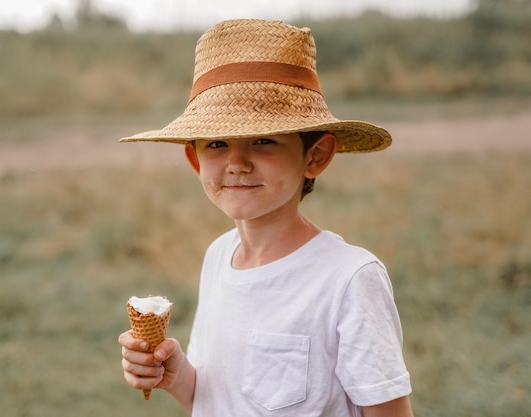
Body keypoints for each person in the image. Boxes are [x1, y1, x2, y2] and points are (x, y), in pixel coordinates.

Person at [118, 19, 414, 417]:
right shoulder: (219, 256)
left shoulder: (349, 279)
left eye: (264, 141)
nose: (237, 163)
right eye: (217, 143)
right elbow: (218, 398)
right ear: (195, 160)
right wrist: (178, 376)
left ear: (316, 156)